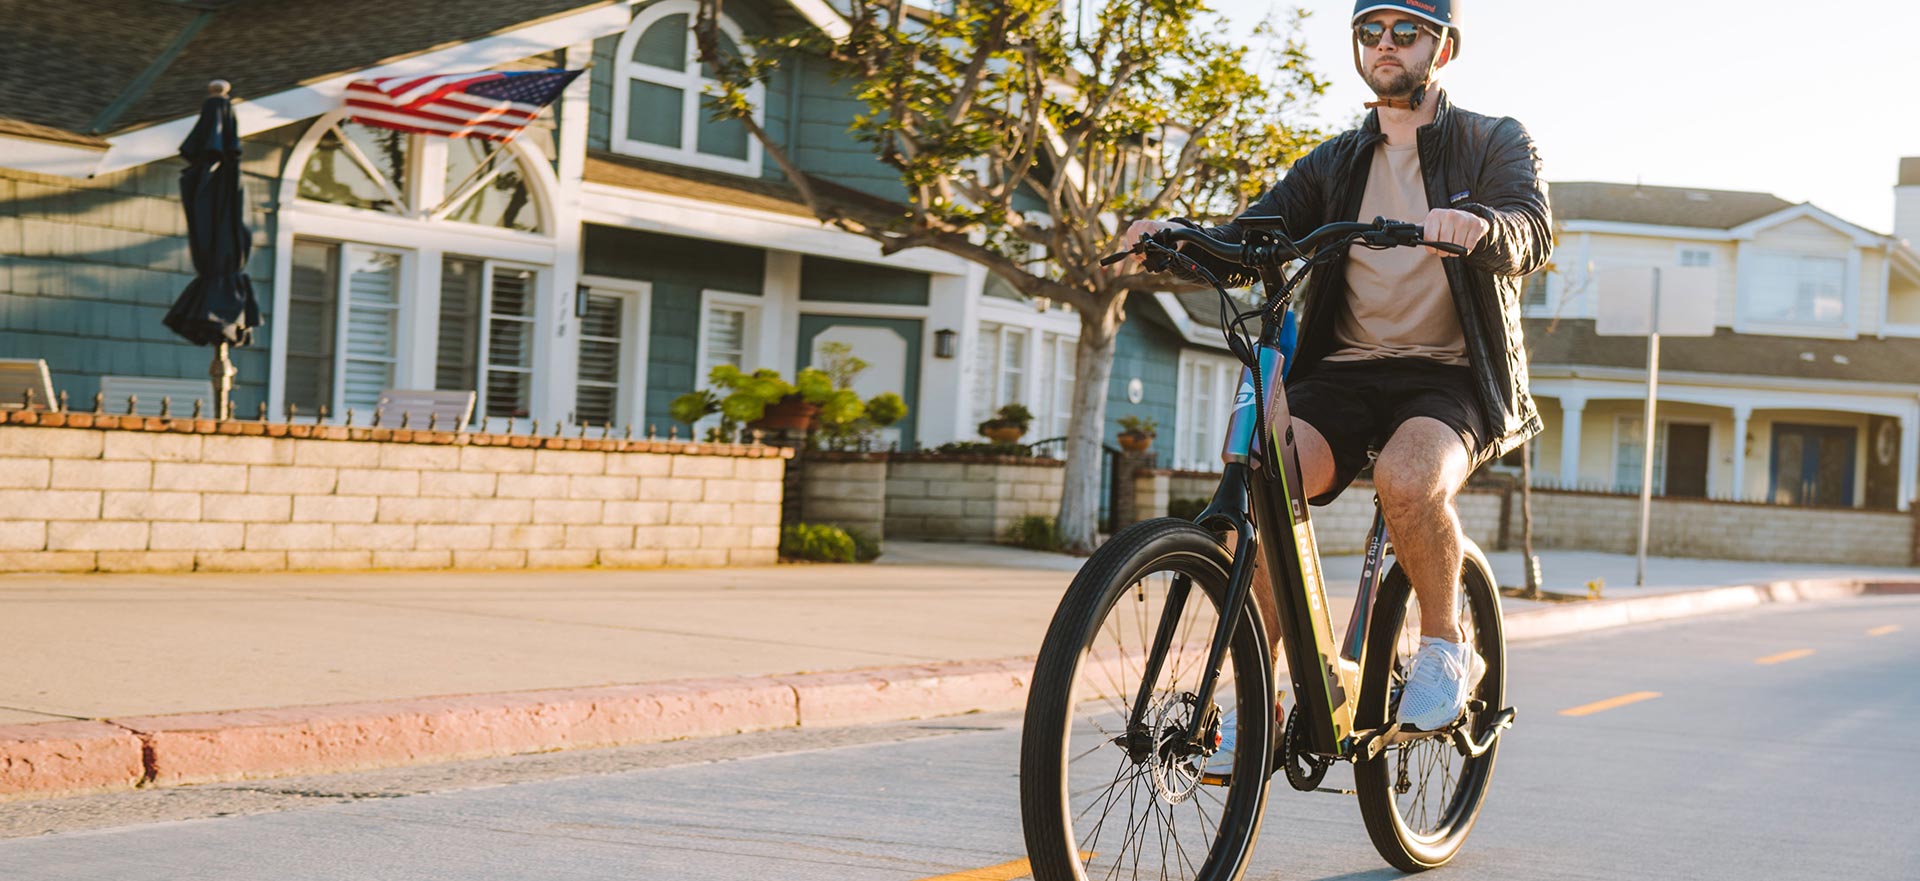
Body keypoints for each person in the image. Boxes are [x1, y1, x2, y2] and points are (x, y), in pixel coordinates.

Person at [1126, 0, 1552, 731]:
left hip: (1451, 375)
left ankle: (1446, 648)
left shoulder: (1492, 141)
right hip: (1346, 372)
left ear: (1442, 50)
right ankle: (1261, 696)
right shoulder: (1334, 161)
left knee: (1408, 481)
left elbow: (1530, 227)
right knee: (1268, 475)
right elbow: (1250, 239)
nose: (1386, 44)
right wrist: (1180, 240)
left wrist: (1482, 227)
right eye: (1370, 31)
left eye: (1406, 32)